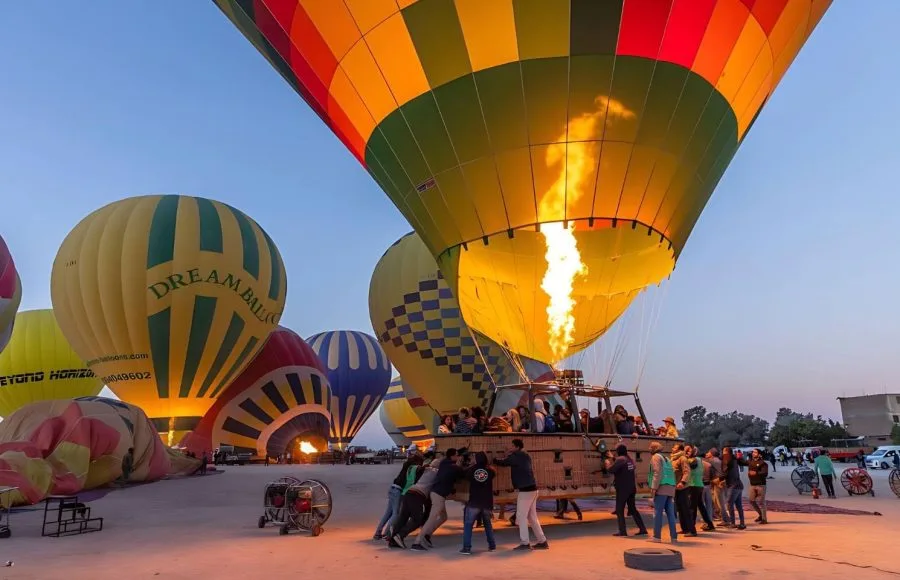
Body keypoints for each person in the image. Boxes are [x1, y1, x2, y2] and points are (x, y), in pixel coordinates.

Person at [493, 439, 548, 550]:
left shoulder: (517, 455)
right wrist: (509, 454)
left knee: (521, 517)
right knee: (532, 517)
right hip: (532, 489)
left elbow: (503, 462)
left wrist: (494, 459)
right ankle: (542, 541)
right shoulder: (525, 454)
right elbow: (510, 460)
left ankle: (525, 543)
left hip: (526, 490)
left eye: (512, 446)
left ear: (517, 447)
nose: (510, 448)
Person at [411, 449, 463, 550]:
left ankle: (427, 535)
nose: (458, 457)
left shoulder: (444, 463)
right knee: (431, 518)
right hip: (439, 495)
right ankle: (417, 542)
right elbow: (462, 474)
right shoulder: (453, 467)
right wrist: (459, 465)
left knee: (443, 517)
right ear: (452, 457)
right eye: (457, 455)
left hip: (436, 493)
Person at [390, 458, 440, 548]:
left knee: (403, 517)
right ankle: (400, 535)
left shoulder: (425, 469)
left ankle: (392, 540)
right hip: (417, 495)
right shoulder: (436, 471)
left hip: (408, 492)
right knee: (417, 519)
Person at [374, 454, 422, 540]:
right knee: (396, 514)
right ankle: (387, 533)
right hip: (398, 491)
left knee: (388, 513)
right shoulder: (413, 467)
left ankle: (378, 533)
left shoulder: (406, 465)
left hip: (392, 488)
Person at [606, 444, 647, 537]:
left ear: (618, 451)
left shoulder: (620, 460)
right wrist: (613, 458)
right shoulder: (629, 459)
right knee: (633, 509)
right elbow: (621, 465)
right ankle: (642, 528)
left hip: (623, 489)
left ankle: (622, 531)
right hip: (631, 488)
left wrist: (607, 464)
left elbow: (611, 470)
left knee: (619, 510)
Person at [460, 452, 497, 555]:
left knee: (468, 525)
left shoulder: (471, 470)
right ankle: (492, 546)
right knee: (488, 524)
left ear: (476, 459)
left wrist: (471, 464)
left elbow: (463, 474)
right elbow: (494, 473)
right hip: (486, 502)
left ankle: (466, 548)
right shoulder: (490, 471)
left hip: (474, 501)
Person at [647, 441, 677, 543]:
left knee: (657, 512)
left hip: (661, 487)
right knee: (670, 514)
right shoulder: (666, 458)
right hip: (670, 487)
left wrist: (654, 488)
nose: (649, 449)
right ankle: (674, 537)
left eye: (650, 447)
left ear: (654, 448)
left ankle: (657, 537)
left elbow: (657, 472)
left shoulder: (655, 457)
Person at [686, 445, 715, 531]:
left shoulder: (693, 460)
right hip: (699, 484)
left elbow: (691, 466)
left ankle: (692, 529)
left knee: (692, 508)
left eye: (688, 451)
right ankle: (710, 525)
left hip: (693, 485)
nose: (686, 452)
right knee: (701, 506)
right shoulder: (699, 460)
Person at [669, 444, 696, 536]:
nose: (672, 449)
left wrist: (683, 482)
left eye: (674, 447)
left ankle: (692, 530)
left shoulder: (682, 458)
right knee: (680, 509)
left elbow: (686, 471)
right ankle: (684, 529)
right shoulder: (673, 459)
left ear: (680, 450)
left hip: (683, 487)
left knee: (685, 509)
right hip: (676, 487)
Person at [721, 447, 746, 529]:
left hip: (733, 485)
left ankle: (732, 522)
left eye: (724, 451)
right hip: (738, 484)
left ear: (726, 452)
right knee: (738, 505)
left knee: (729, 503)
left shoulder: (728, 459)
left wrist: (720, 479)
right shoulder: (734, 459)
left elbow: (726, 472)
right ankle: (742, 523)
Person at [747, 448, 769, 524]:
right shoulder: (750, 461)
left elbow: (765, 473)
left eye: (755, 452)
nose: (753, 453)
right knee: (751, 500)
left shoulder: (763, 463)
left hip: (761, 485)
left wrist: (756, 473)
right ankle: (760, 515)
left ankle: (764, 519)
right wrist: (737, 458)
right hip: (752, 484)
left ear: (759, 454)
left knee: (761, 502)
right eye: (753, 452)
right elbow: (742, 462)